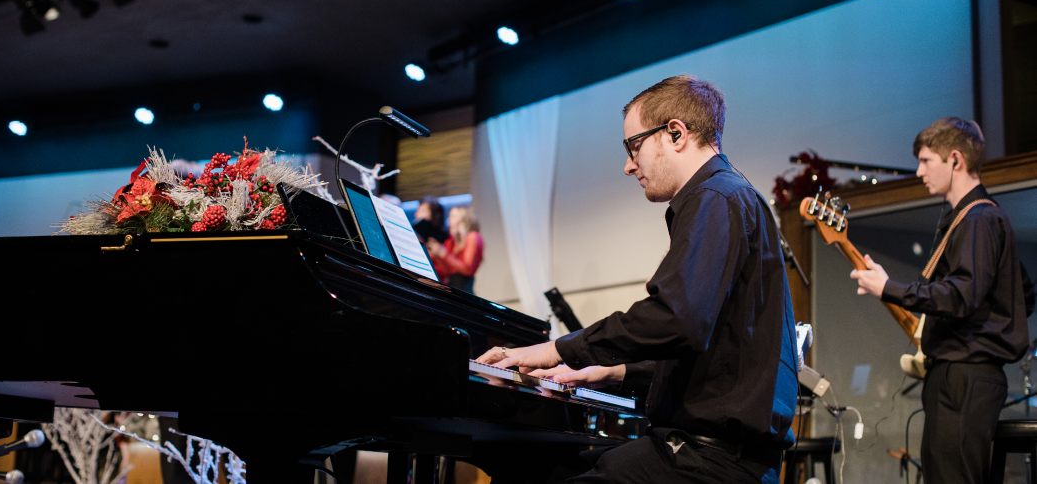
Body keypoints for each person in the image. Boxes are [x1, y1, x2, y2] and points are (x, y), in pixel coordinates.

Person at [478, 75, 798, 484]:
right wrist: (608, 370)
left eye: (633, 146)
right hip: (706, 455)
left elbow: (675, 319)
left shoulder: (715, 198)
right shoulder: (726, 196)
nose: (629, 165)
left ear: (675, 133)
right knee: (533, 461)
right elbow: (710, 349)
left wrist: (560, 349)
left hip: (708, 463)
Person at [851, 117, 1034, 484]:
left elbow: (961, 294)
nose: (919, 171)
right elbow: (1023, 294)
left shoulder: (978, 219)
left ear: (955, 159)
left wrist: (889, 287)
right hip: (964, 376)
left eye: (925, 160)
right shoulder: (977, 218)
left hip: (965, 378)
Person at [427, 206, 484, 294]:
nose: (449, 220)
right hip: (452, 289)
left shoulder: (473, 236)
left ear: (463, 220)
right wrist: (437, 255)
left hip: (464, 291)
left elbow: (468, 269)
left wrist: (444, 254)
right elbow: (446, 272)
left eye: (453, 216)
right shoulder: (451, 242)